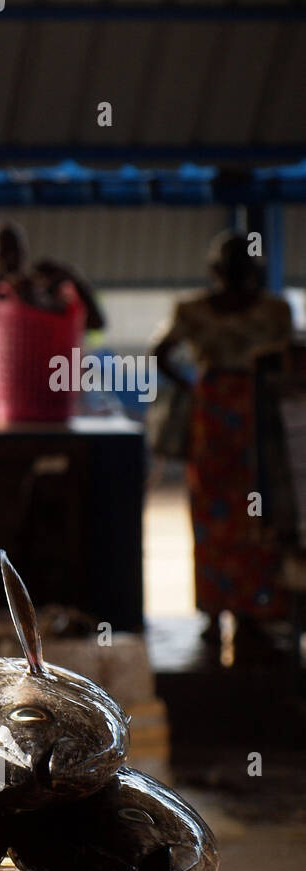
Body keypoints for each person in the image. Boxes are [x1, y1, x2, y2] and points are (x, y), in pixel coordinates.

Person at [152, 230, 294, 651]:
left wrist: (195, 387)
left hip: (225, 417)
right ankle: (239, 612)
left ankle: (224, 612)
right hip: (242, 420)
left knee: (225, 518)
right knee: (242, 516)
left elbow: (159, 351)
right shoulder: (272, 311)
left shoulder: (199, 310)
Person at [0, 220, 105, 420]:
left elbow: (95, 322)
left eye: (17, 252)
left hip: (27, 404)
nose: (11, 259)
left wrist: (70, 277)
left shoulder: (33, 295)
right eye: (3, 252)